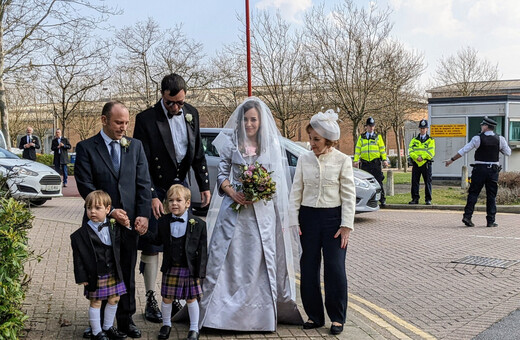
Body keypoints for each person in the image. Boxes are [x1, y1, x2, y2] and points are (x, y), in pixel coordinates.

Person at [199, 97, 302, 331]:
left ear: (261, 121)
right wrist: (232, 193)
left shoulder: (270, 146)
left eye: (253, 119)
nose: (249, 124)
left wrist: (261, 191)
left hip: (261, 214)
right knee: (229, 260)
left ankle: (258, 317)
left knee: (258, 260)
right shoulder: (230, 144)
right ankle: (219, 315)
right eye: (245, 119)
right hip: (233, 212)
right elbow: (222, 174)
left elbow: (275, 179)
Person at [133, 73, 211, 323]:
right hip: (155, 188)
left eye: (180, 102)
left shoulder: (191, 113)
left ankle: (175, 294)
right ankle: (151, 297)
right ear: (162, 95)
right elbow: (141, 161)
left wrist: (204, 185)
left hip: (181, 189)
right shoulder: (145, 119)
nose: (177, 108)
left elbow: (197, 153)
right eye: (171, 103)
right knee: (153, 245)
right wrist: (152, 196)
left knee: (179, 242)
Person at [75, 101, 152, 338]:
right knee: (100, 273)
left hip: (128, 222)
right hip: (98, 224)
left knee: (126, 270)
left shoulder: (136, 146)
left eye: (126, 122)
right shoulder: (86, 147)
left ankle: (125, 320)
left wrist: (143, 214)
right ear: (104, 120)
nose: (123, 127)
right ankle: (98, 325)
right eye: (119, 122)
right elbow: (85, 185)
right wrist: (109, 212)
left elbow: (143, 183)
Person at [289, 109, 356, 336]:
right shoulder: (303, 159)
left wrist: (346, 224)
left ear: (329, 140)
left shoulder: (342, 160)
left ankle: (337, 318)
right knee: (308, 268)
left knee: (335, 269)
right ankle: (314, 316)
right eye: (310, 138)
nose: (312, 143)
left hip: (334, 221)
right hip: (308, 219)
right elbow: (296, 191)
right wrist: (293, 220)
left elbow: (348, 194)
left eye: (316, 139)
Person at [142, 184, 207, 340]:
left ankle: (194, 328)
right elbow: (157, 240)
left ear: (188, 203)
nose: (174, 204)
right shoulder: (163, 221)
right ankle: (166, 325)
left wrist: (200, 273)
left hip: (189, 268)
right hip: (171, 267)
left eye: (179, 200)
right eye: (171, 200)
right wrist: (144, 233)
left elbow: (203, 252)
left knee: (191, 299)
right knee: (166, 298)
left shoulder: (199, 224)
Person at [71, 190, 128, 340]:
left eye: (97, 208)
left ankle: (108, 327)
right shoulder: (79, 235)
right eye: (89, 208)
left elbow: (125, 243)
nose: (92, 212)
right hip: (95, 273)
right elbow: (78, 258)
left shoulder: (114, 227)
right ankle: (96, 332)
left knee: (114, 298)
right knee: (96, 302)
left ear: (108, 209)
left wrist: (129, 226)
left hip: (113, 271)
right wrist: (81, 276)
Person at [444, 117, 511, 228]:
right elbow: (508, 152)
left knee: (473, 193)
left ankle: (467, 217)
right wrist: (499, 149)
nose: (481, 127)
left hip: (479, 169)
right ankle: (490, 220)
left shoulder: (477, 138)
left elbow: (464, 150)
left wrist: (451, 160)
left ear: (486, 126)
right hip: (493, 171)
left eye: (482, 125)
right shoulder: (500, 139)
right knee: (491, 196)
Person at [353, 117, 388, 206]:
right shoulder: (362, 137)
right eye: (369, 126)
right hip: (365, 163)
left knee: (378, 182)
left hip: (375, 163)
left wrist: (384, 160)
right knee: (365, 183)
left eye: (372, 126)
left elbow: (382, 149)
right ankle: (367, 199)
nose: (371, 128)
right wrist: (356, 160)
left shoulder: (378, 137)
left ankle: (382, 199)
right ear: (366, 127)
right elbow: (358, 150)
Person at [408, 119, 435, 205]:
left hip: (426, 163)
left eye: (424, 128)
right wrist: (416, 157)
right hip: (416, 163)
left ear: (427, 129)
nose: (422, 130)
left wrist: (422, 157)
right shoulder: (414, 140)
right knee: (415, 182)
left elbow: (431, 152)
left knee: (427, 182)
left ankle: (428, 199)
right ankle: (415, 198)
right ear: (419, 129)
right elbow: (410, 151)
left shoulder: (430, 140)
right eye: (421, 128)